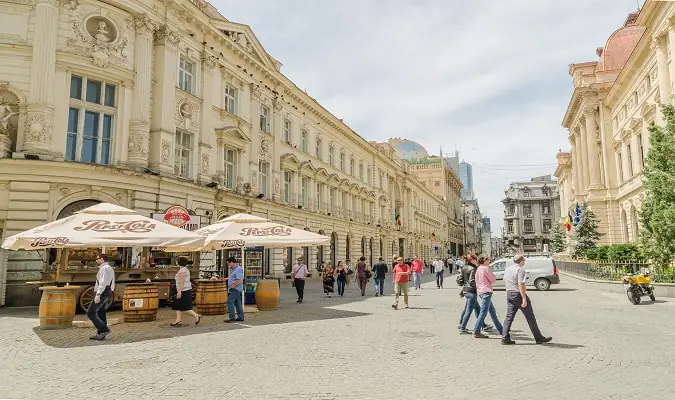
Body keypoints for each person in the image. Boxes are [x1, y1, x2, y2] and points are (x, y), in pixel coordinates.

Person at [501, 254, 552, 345]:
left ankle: (505, 337)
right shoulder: (520, 270)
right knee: (530, 317)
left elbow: (505, 280)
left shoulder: (508, 269)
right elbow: (521, 284)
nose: (524, 262)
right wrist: (524, 298)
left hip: (509, 293)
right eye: (524, 260)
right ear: (521, 261)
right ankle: (538, 337)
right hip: (518, 294)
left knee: (509, 317)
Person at [473, 256, 502, 338]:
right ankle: (477, 331)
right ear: (484, 261)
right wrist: (492, 273)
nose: (489, 261)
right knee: (483, 312)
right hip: (486, 291)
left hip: (481, 291)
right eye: (488, 260)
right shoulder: (486, 268)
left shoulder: (479, 268)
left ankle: (501, 329)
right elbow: (493, 279)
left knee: (492, 311)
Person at [87, 254, 115, 340]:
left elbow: (102, 282)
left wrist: (98, 294)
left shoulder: (104, 268)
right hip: (107, 292)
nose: (96, 260)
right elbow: (112, 282)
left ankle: (104, 330)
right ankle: (101, 334)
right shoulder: (109, 268)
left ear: (102, 259)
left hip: (102, 293)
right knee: (101, 312)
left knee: (91, 312)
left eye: (97, 259)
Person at [170, 256, 201, 327]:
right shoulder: (184, 269)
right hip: (183, 290)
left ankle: (196, 316)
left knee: (185, 308)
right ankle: (178, 320)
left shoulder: (183, 270)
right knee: (177, 306)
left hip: (184, 290)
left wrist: (180, 291)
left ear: (178, 263)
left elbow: (182, 282)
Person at [458, 255, 480, 333]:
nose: (477, 260)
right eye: (475, 259)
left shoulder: (463, 267)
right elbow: (472, 281)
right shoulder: (473, 269)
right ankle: (462, 328)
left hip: (465, 290)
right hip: (471, 291)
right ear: (472, 260)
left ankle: (482, 325)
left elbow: (460, 280)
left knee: (477, 309)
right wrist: (478, 288)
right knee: (468, 310)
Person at [225, 257, 244, 322]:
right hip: (235, 289)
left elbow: (240, 280)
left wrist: (233, 285)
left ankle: (232, 318)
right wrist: (226, 279)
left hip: (235, 289)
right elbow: (233, 278)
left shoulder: (238, 269)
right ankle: (240, 317)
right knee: (238, 303)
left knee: (230, 302)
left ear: (232, 262)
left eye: (228, 264)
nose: (228, 265)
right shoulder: (234, 269)